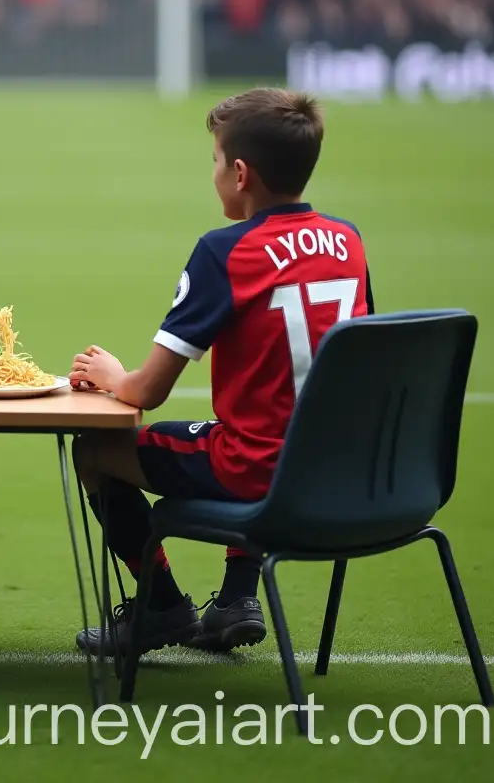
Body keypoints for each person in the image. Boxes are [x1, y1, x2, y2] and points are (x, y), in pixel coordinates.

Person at [68, 87, 374, 655]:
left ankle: (160, 605)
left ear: (239, 173)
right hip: (338, 472)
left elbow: (148, 392)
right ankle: (237, 598)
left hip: (258, 470)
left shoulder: (225, 251)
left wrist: (111, 373)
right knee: (258, 426)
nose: (212, 173)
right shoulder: (348, 241)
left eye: (214, 160)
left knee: (93, 450)